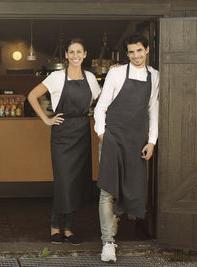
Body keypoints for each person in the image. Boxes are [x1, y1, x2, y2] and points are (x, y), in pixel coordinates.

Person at [28, 38, 101, 245]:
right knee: (63, 181)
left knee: (76, 182)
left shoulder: (91, 78)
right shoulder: (56, 77)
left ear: (85, 54)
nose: (75, 55)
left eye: (79, 52)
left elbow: (102, 100)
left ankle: (68, 229)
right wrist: (47, 120)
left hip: (82, 131)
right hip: (62, 133)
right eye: (71, 52)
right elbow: (32, 96)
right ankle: (54, 226)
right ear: (66, 55)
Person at [93, 33, 159, 263]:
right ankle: (108, 242)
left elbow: (153, 110)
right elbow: (100, 107)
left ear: (147, 49)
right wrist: (102, 135)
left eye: (139, 51)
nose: (136, 56)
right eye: (131, 52)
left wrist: (151, 141)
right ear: (127, 53)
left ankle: (115, 218)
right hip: (112, 138)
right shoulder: (116, 72)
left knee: (132, 186)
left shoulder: (155, 76)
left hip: (136, 141)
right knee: (108, 189)